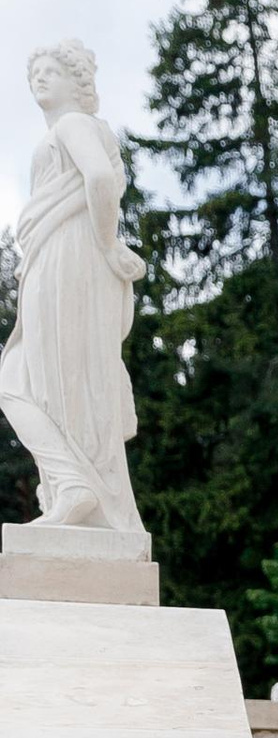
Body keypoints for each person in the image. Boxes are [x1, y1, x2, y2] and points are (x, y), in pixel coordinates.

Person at [0, 43, 148, 536]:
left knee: (24, 380)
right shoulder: (66, 131)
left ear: (77, 81)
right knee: (42, 381)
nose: (38, 79)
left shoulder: (73, 124)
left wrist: (107, 246)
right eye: (33, 73)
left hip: (69, 253)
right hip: (59, 254)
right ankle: (74, 487)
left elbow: (101, 177)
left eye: (50, 71)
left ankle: (76, 486)